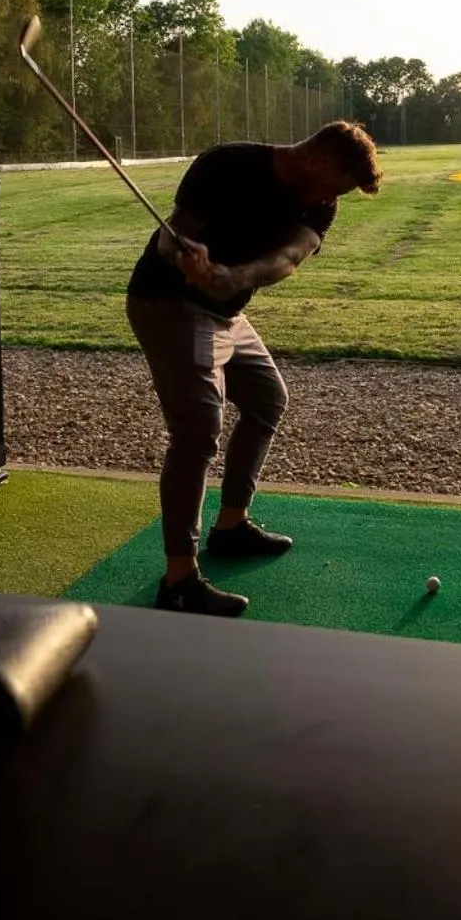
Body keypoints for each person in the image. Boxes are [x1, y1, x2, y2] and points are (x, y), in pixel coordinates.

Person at [126, 121, 382, 616]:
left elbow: (288, 257)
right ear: (315, 159)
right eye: (334, 186)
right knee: (198, 430)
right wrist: (187, 259)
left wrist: (235, 276)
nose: (332, 199)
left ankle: (230, 526)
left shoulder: (321, 203)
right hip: (171, 304)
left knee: (267, 399)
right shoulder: (227, 164)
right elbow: (168, 242)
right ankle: (179, 578)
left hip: (225, 311)